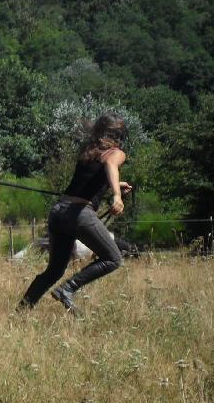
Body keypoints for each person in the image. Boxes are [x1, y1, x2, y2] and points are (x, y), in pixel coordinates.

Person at [18, 113, 133, 313]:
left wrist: (112, 185)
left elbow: (92, 178)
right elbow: (111, 165)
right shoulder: (115, 152)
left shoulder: (88, 150)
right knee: (114, 258)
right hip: (79, 214)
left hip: (59, 212)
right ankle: (68, 289)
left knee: (54, 271)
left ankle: (22, 311)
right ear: (119, 135)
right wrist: (117, 195)